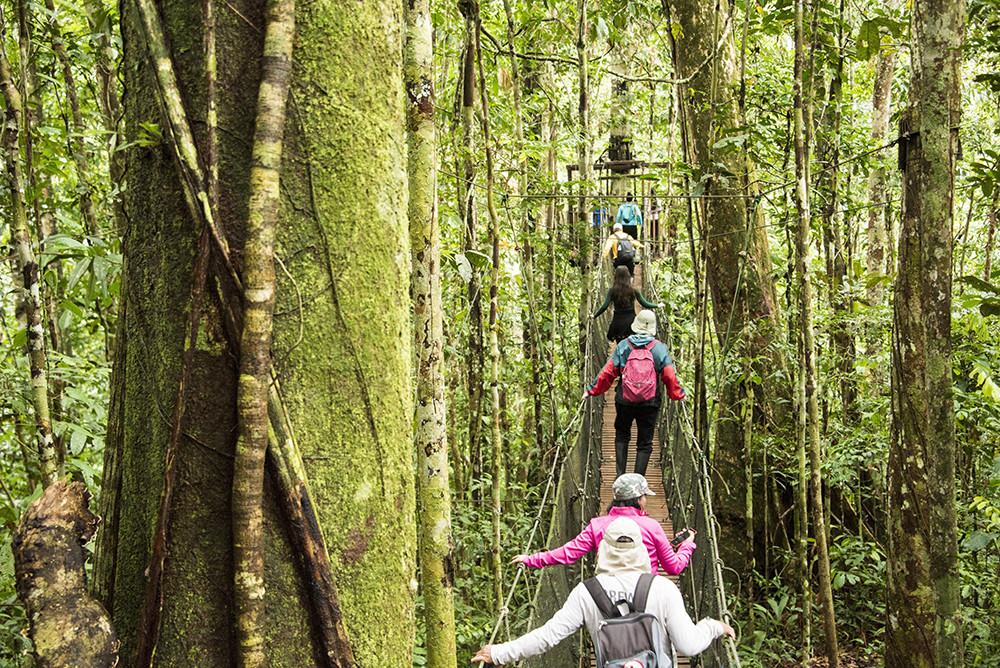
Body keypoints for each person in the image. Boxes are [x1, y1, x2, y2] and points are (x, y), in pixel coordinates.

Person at [473, 518, 735, 666]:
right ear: (641, 550)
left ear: (604, 550)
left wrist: (497, 653)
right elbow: (687, 645)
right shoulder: (663, 588)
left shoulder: (585, 593)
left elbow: (548, 636)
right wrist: (714, 627)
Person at [510, 474, 696, 576]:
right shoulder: (652, 526)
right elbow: (673, 567)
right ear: (638, 499)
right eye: (645, 496)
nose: (646, 500)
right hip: (646, 595)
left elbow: (569, 553)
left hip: (608, 597)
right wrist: (687, 545)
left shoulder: (597, 525)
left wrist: (532, 559)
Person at [585, 310, 684, 477]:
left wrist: (592, 390)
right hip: (650, 402)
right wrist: (678, 394)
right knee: (645, 442)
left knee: (622, 434)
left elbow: (608, 372)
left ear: (636, 325)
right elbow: (669, 375)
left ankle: (620, 476)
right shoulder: (660, 348)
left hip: (625, 400)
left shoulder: (623, 345)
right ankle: (638, 482)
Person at [593, 265, 663, 342]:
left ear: (616, 276)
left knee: (620, 346)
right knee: (632, 345)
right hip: (631, 322)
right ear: (628, 276)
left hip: (618, 322)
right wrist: (657, 305)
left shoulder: (612, 291)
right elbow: (644, 303)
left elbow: (604, 306)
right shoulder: (633, 290)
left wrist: (595, 316)